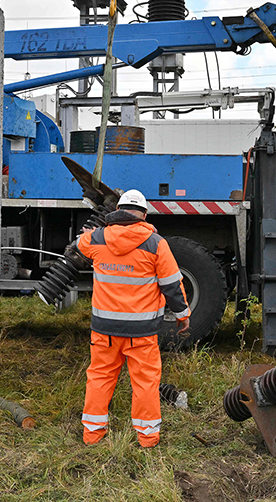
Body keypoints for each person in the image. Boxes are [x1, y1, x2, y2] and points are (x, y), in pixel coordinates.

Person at [77, 189, 191, 448]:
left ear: (117, 211)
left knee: (100, 377)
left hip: (104, 330)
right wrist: (183, 316)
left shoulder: (97, 239)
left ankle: (92, 435)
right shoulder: (155, 243)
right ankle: (147, 438)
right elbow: (172, 285)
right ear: (144, 215)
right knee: (145, 382)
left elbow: (79, 244)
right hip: (142, 332)